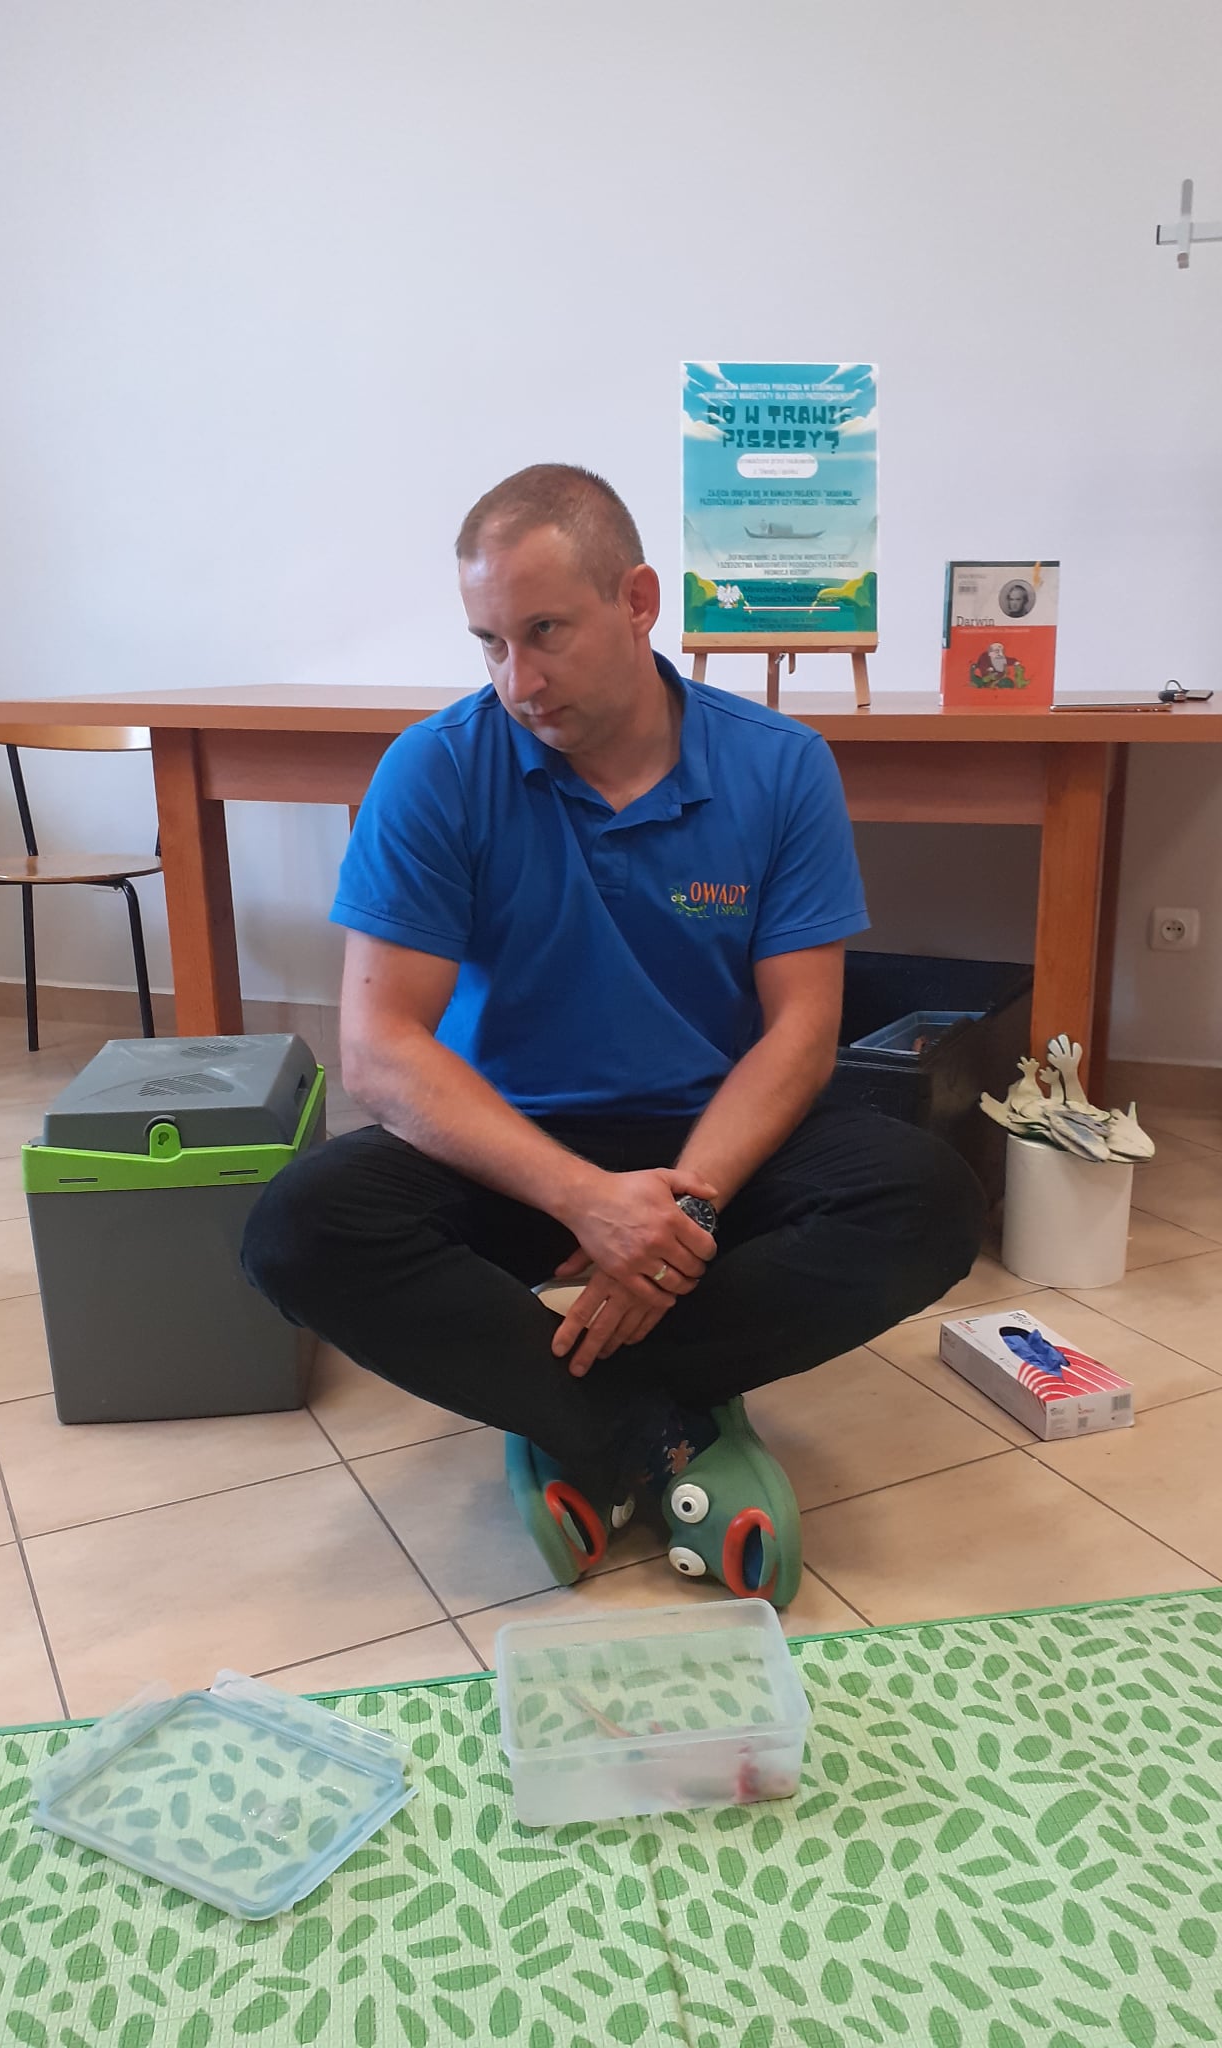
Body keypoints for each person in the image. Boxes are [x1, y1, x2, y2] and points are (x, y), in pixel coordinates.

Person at [242, 465, 985, 1608]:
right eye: (489, 642)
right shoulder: (436, 769)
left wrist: (680, 1220)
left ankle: (558, 1390)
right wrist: (589, 1205)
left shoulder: (779, 765)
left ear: (638, 601)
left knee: (931, 1197)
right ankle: (653, 1428)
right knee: (295, 1230)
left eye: (545, 631)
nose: (517, 680)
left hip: (711, 1143)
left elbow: (802, 1031)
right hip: (515, 1150)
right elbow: (381, 1049)